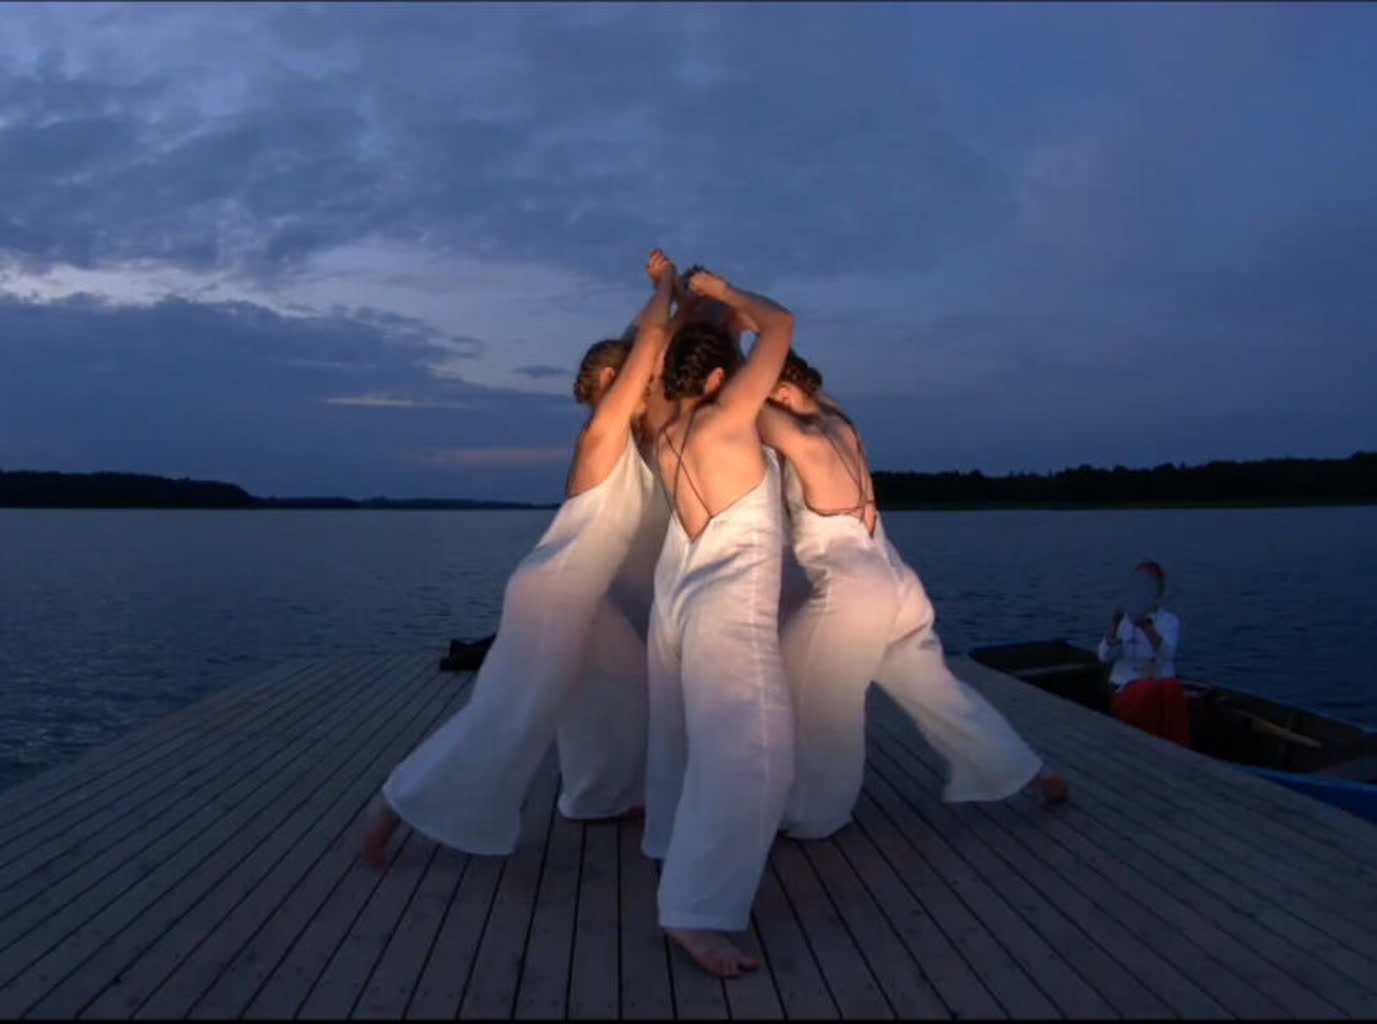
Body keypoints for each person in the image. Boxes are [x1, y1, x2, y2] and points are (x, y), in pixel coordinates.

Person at [360, 249, 679, 866]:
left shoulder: (620, 433)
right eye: (641, 379)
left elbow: (644, 345)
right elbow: (647, 345)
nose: (651, 385)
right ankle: (391, 808)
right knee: (507, 715)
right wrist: (665, 285)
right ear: (611, 381)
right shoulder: (603, 431)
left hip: (585, 595)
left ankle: (599, 795)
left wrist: (667, 301)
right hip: (556, 592)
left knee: (626, 685)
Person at [759, 351, 1067, 843]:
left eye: (768, 390)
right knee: (940, 695)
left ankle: (814, 814)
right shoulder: (839, 421)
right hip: (897, 582)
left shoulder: (804, 439)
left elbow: (745, 408)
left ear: (785, 393)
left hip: (856, 591)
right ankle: (1029, 771)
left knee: (814, 698)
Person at [641, 268, 796, 979]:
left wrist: (678, 302)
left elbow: (663, 352)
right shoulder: (728, 416)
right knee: (752, 759)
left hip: (680, 603)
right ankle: (693, 911)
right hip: (728, 610)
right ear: (717, 378)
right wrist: (729, 294)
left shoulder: (662, 426)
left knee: (693, 747)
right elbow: (781, 324)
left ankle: (674, 854)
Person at [1098, 561, 1180, 689]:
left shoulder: (1169, 620)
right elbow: (1104, 657)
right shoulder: (1122, 618)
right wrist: (1114, 629)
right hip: (1121, 687)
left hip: (1156, 688)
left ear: (1159, 590)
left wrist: (1146, 628)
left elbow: (1168, 655)